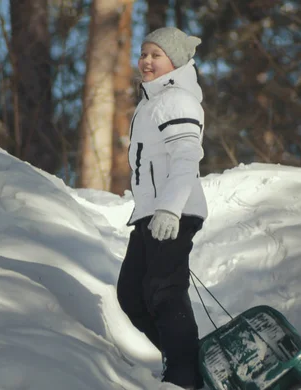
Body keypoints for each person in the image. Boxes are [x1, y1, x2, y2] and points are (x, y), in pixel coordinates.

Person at [116, 27, 208, 390]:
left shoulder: (178, 100)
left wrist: (170, 209)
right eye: (143, 54)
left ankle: (184, 377)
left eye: (155, 55)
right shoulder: (151, 102)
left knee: (163, 289)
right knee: (131, 294)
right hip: (151, 215)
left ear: (176, 61)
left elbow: (186, 158)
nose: (146, 61)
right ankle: (186, 358)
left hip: (174, 211)